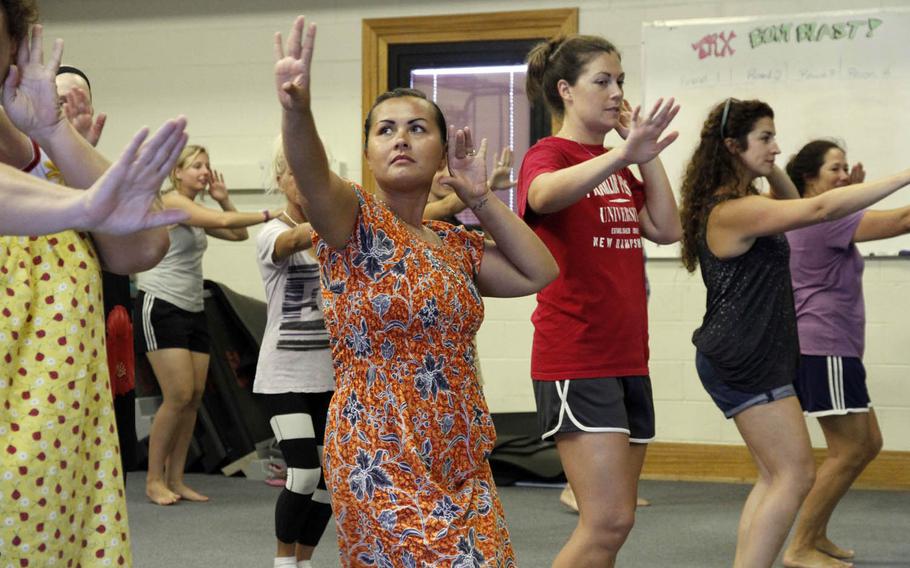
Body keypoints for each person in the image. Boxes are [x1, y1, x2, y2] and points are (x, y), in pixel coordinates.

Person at [275, 16, 558, 566]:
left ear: (442, 152)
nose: (400, 138)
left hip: (461, 454)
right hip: (379, 452)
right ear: (368, 151)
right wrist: (296, 110)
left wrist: (479, 197)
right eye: (385, 129)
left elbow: (538, 272)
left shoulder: (455, 244)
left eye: (417, 128)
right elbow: (311, 173)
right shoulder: (352, 224)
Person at [678, 98, 910, 568]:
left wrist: (765, 161)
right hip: (744, 355)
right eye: (765, 138)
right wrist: (905, 175)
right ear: (731, 145)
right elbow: (820, 207)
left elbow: (797, 201)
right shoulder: (734, 210)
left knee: (774, 476)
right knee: (795, 474)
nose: (776, 147)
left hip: (751, 352)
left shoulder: (750, 201)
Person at [0, 9, 189, 567]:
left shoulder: (45, 162)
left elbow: (141, 246)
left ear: (14, 42)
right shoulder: (52, 190)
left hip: (66, 455)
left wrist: (52, 132)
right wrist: (81, 202)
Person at [517, 33, 680, 567]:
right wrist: (621, 157)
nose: (616, 94)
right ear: (565, 90)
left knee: (615, 523)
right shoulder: (551, 154)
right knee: (606, 520)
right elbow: (541, 196)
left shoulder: (614, 163)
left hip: (627, 355)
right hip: (577, 355)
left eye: (621, 82)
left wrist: (643, 155)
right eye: (602, 81)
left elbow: (666, 227)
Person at [781, 140, 909, 568]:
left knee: (868, 442)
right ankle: (800, 546)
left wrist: (850, 198)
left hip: (832, 347)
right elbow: (904, 218)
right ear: (808, 180)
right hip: (823, 347)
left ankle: (815, 535)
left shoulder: (816, 214)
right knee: (850, 450)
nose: (841, 177)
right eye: (832, 170)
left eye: (843, 170)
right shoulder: (822, 218)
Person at [135, 144, 283, 506]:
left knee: (194, 398)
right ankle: (154, 480)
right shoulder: (172, 203)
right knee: (178, 395)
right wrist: (272, 213)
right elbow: (221, 224)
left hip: (192, 306)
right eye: (196, 166)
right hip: (161, 304)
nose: (204, 171)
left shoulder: (196, 209)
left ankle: (177, 479)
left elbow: (235, 233)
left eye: (207, 165)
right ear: (177, 173)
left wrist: (224, 200)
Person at [253, 140, 334, 568]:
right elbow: (293, 240)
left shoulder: (336, 237)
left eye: (313, 173)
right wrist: (338, 210)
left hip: (328, 377)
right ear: (281, 181)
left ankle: (304, 561)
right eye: (296, 173)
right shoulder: (272, 234)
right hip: (282, 377)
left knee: (329, 484)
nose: (304, 182)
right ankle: (283, 562)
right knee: (303, 473)